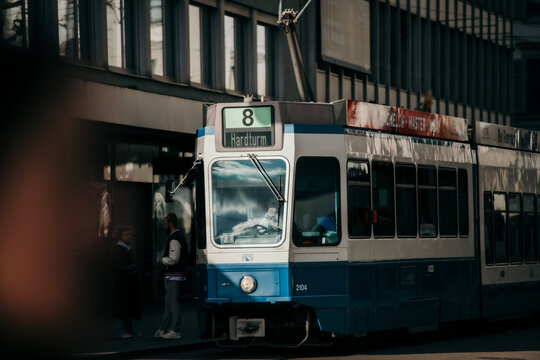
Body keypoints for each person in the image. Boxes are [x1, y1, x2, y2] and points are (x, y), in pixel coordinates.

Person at [154, 213, 188, 339]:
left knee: (172, 304)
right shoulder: (179, 237)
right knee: (169, 303)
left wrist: (161, 260)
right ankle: (163, 328)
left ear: (170, 225)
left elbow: (174, 259)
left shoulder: (174, 238)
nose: (164, 226)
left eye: (165, 224)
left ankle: (175, 330)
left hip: (174, 275)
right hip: (173, 275)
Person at [111, 228, 141, 338]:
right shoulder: (119, 249)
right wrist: (127, 269)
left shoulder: (126, 248)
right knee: (122, 306)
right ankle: (122, 330)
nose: (128, 236)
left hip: (127, 282)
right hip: (122, 282)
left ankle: (129, 329)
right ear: (121, 237)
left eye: (129, 234)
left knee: (128, 305)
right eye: (126, 234)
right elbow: (117, 266)